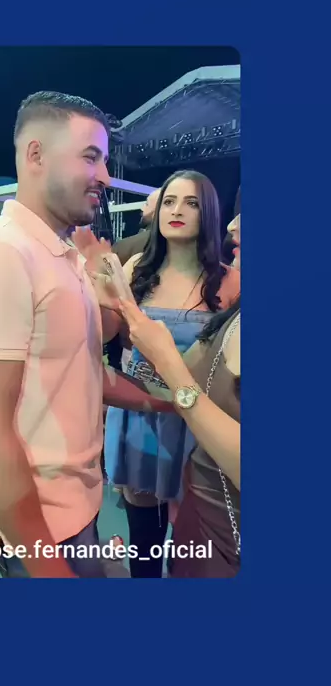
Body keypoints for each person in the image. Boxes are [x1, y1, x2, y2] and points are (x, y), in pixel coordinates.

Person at [0, 92, 176, 579]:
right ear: (36, 155)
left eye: (104, 160)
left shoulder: (62, 257)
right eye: (90, 157)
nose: (105, 176)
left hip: (77, 506)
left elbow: (83, 370)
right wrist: (47, 567)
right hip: (42, 530)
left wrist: (172, 402)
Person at [101, 171, 240, 577]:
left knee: (191, 539)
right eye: (169, 201)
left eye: (191, 203)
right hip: (140, 414)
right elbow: (108, 335)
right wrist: (96, 297)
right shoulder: (135, 270)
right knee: (143, 536)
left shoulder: (230, 282)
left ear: (208, 213)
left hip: (200, 423)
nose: (177, 210)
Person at [112, 188, 160, 266]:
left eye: (147, 204)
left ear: (157, 210)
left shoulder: (122, 247)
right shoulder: (177, 245)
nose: (142, 208)